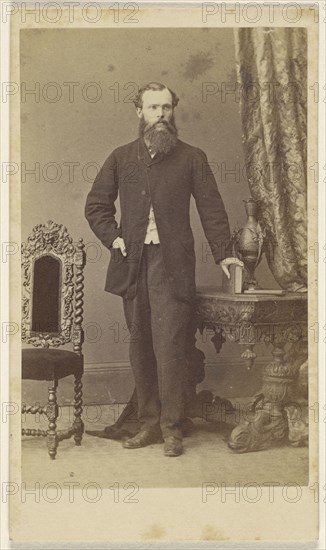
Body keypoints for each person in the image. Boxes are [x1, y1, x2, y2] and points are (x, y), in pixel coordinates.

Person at [85, 82, 242, 457]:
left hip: (172, 267)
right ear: (138, 111)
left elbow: (212, 209)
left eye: (166, 108)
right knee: (140, 345)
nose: (160, 115)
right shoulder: (122, 157)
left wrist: (224, 254)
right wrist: (115, 238)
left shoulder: (192, 157)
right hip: (133, 263)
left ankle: (172, 428)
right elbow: (96, 206)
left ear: (174, 111)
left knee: (170, 346)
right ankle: (148, 424)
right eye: (153, 108)